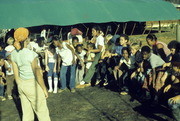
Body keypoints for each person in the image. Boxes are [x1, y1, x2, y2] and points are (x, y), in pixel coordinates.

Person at [11, 28, 51, 121]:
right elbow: (37, 74)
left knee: (27, 114)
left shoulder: (13, 54)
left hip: (21, 85)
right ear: (27, 39)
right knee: (42, 114)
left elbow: (16, 74)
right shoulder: (31, 54)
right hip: (32, 84)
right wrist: (44, 89)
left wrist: (20, 84)